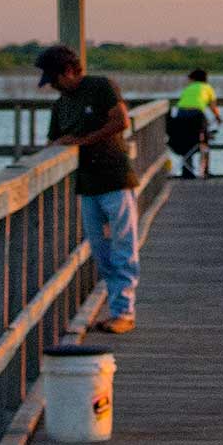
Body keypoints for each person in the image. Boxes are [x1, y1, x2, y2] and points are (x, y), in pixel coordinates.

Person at [36, 45, 142, 334]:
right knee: (100, 250)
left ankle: (124, 312)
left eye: (55, 78)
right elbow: (55, 140)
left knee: (123, 247)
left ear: (69, 70)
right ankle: (116, 309)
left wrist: (84, 141)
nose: (54, 86)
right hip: (87, 184)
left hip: (115, 178)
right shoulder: (61, 105)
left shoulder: (100, 86)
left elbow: (121, 121)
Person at [171, 68, 222, 178]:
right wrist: (218, 118)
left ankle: (187, 172)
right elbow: (213, 106)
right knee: (204, 141)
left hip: (180, 115)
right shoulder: (207, 88)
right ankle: (204, 171)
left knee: (186, 143)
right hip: (196, 115)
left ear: (193, 79)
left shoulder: (188, 88)